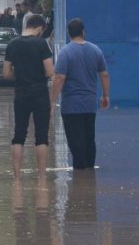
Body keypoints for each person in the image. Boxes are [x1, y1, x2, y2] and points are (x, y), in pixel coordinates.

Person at [48, 18, 110, 170]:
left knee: (76, 143)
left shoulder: (65, 52)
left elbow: (59, 78)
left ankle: (80, 177)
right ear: (83, 32)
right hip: (90, 105)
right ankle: (89, 176)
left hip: (71, 106)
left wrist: (52, 102)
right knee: (89, 139)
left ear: (69, 33)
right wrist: (105, 96)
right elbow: (104, 75)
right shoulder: (96, 50)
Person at [3, 14, 54, 178]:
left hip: (21, 93)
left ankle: (16, 175)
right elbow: (50, 71)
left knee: (19, 133)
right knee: (41, 134)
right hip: (40, 93)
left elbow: (6, 73)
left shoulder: (12, 44)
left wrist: (20, 73)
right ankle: (41, 175)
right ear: (39, 28)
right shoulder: (41, 44)